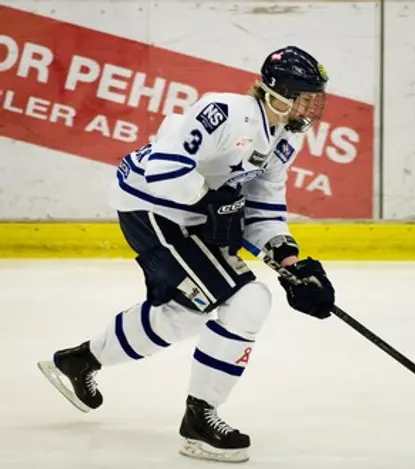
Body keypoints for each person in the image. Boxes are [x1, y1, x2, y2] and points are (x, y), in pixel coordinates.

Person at [37, 45, 336, 464]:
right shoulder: (225, 112)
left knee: (188, 313)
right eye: (305, 95)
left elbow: (264, 200)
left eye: (315, 97)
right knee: (248, 299)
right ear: (277, 91)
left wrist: (287, 258)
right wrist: (208, 198)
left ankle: (78, 361)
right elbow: (162, 167)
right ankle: (199, 419)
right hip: (152, 208)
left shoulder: (284, 138)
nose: (311, 106)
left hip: (186, 216)